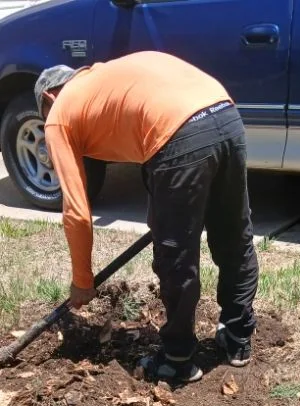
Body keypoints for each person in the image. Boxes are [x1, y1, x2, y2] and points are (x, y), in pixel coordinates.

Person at [34, 52, 259, 383]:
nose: (47, 124)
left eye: (42, 114)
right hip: (225, 114)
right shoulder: (101, 80)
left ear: (49, 97)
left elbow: (77, 212)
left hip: (177, 128)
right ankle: (237, 337)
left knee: (175, 257)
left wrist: (82, 280)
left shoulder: (59, 113)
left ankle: (178, 359)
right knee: (233, 235)